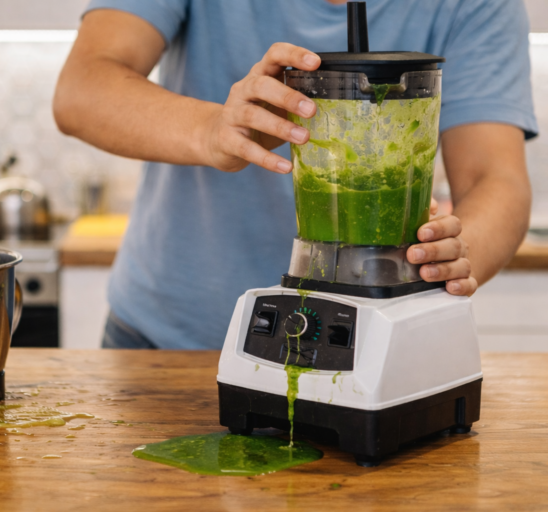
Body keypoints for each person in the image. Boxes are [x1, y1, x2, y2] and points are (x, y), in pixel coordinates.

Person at [53, 0, 536, 350]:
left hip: (370, 348)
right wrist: (214, 130)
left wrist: (454, 254)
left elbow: (495, 179)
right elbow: (82, 89)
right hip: (167, 343)